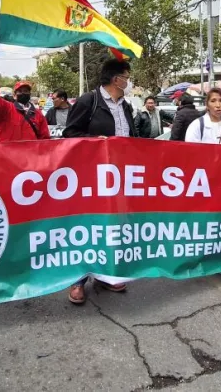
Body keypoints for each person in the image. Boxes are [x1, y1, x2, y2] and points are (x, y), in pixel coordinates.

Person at [62, 58, 135, 304]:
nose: (129, 80)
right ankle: (78, 279)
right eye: (127, 75)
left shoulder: (125, 106)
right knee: (89, 227)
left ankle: (104, 275)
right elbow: (69, 134)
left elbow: (132, 137)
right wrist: (96, 142)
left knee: (111, 227)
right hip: (92, 177)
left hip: (120, 177)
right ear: (116, 79)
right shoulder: (88, 101)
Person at [0, 72, 50, 141]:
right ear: (14, 95)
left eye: (26, 91)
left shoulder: (38, 114)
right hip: (8, 151)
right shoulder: (6, 109)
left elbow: (45, 138)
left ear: (30, 94)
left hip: (31, 151)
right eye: (20, 91)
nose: (23, 93)